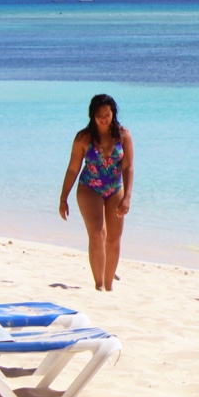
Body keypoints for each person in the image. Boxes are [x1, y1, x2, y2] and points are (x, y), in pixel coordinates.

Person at [58, 93, 135, 291]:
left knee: (114, 237)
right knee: (97, 233)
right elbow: (73, 169)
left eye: (107, 114)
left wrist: (127, 196)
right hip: (89, 188)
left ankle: (108, 286)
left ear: (113, 114)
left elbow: (128, 168)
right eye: (99, 114)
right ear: (92, 115)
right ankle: (98, 284)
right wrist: (63, 198)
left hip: (114, 188)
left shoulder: (123, 135)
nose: (103, 118)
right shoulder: (83, 138)